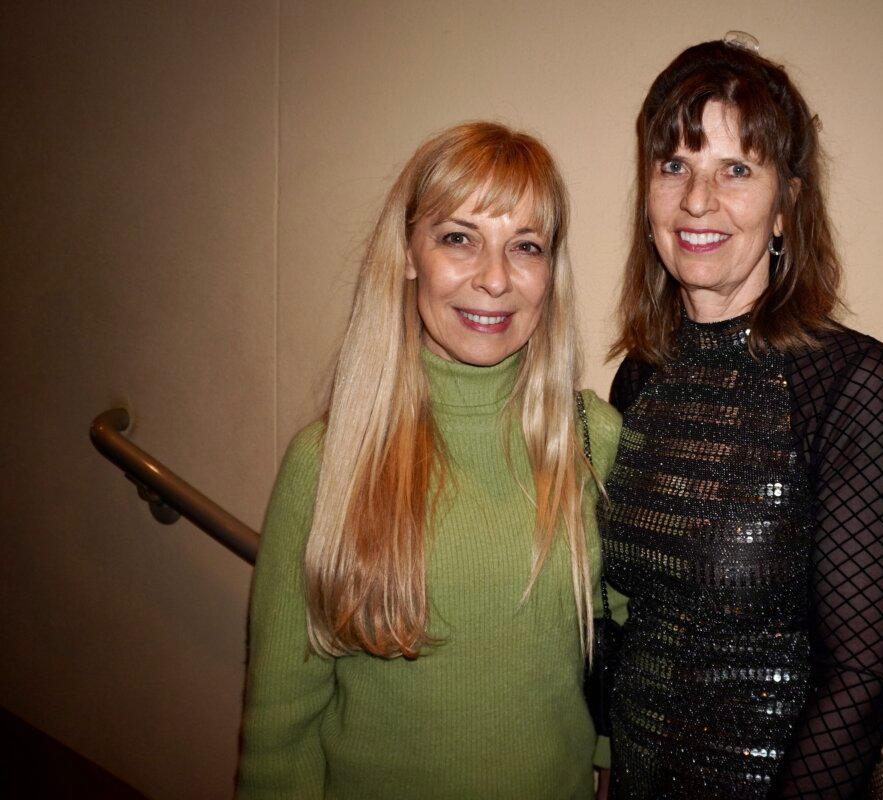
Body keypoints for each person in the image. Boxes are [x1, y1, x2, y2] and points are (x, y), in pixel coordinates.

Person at [236, 122, 622, 800]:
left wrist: (605, 752)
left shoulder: (596, 438)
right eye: (458, 238)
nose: (495, 279)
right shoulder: (328, 463)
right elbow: (280, 726)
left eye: (525, 246)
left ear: (550, 272)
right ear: (410, 252)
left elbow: (623, 641)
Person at [601, 38, 883, 800]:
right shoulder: (639, 375)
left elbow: (861, 680)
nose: (697, 200)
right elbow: (631, 630)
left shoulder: (850, 381)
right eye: (674, 165)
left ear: (786, 207)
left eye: (736, 170)